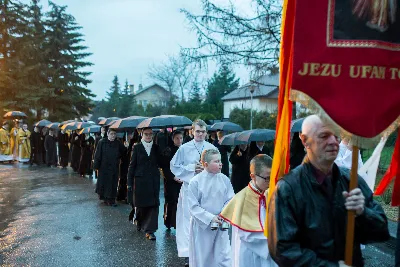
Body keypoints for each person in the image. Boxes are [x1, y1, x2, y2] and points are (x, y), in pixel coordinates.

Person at [267, 115, 390, 267]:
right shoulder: (288, 188)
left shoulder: (351, 181)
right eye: (324, 136)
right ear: (305, 141)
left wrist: (363, 212)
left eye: (336, 136)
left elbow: (382, 232)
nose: (333, 142)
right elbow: (282, 250)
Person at [170, 119, 216, 265]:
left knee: (205, 220)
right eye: (197, 131)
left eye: (203, 132)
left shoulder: (211, 148)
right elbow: (174, 166)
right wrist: (191, 168)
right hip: (190, 189)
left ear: (206, 133)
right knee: (188, 222)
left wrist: (208, 169)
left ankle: (205, 252)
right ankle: (188, 254)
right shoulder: (184, 148)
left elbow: (218, 166)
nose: (200, 134)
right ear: (191, 132)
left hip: (207, 190)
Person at [220, 154, 277, 267]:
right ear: (253, 176)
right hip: (252, 251)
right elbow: (248, 234)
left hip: (270, 251)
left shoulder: (269, 192)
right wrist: (276, 242)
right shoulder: (242, 199)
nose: (270, 182)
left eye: (273, 177)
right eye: (266, 178)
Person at [187, 149, 234, 267]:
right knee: (204, 257)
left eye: (220, 160)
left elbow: (230, 199)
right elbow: (193, 206)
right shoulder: (195, 182)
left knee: (224, 255)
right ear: (205, 164)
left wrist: (224, 214)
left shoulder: (224, 179)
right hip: (203, 225)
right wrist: (211, 218)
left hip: (221, 222)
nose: (220, 163)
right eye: (216, 161)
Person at [128, 127, 161, 241]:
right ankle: (139, 221)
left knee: (153, 205)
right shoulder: (137, 148)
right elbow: (132, 166)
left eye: (150, 134)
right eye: (146, 134)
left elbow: (161, 162)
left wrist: (166, 151)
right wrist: (129, 183)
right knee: (141, 206)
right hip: (140, 181)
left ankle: (150, 231)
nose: (148, 136)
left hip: (153, 181)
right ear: (142, 135)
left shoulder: (157, 148)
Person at [94, 128, 125, 206]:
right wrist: (96, 166)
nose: (113, 136)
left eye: (114, 134)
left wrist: (126, 147)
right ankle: (105, 198)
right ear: (107, 134)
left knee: (113, 183)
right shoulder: (102, 142)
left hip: (114, 166)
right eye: (111, 134)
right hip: (104, 167)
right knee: (104, 182)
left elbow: (123, 153)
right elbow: (98, 154)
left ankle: (111, 199)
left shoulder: (118, 143)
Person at [160, 130, 183, 230]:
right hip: (170, 180)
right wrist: (173, 177)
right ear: (173, 139)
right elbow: (164, 167)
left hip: (182, 179)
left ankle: (178, 222)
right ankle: (168, 221)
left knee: (180, 201)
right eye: (177, 138)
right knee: (171, 200)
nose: (179, 140)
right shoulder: (168, 150)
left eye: (181, 138)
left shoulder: (184, 149)